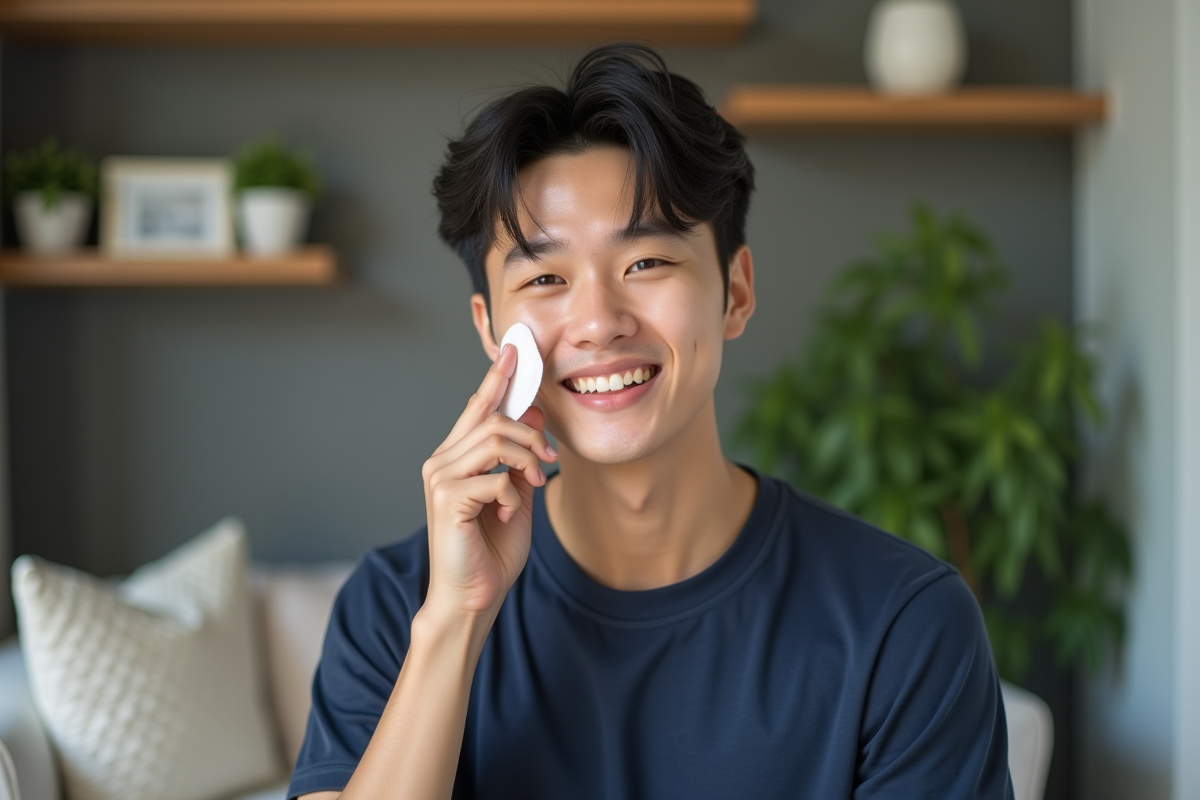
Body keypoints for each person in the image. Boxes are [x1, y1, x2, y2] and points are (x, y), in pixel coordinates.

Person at [287, 43, 1013, 800]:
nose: (598, 322)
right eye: (544, 278)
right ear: (488, 328)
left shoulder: (905, 625)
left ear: (734, 292)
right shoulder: (396, 608)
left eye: (647, 264)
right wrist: (453, 625)